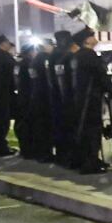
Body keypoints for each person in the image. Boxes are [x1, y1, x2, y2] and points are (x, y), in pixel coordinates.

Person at [70, 29, 111, 174]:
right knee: (92, 131)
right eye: (92, 36)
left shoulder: (77, 56)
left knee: (83, 129)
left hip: (80, 98)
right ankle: (90, 162)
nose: (95, 38)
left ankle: (85, 160)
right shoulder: (89, 55)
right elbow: (101, 75)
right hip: (90, 98)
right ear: (86, 41)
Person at [48, 30, 78, 167]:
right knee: (69, 129)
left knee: (60, 127)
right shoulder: (67, 56)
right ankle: (70, 158)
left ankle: (62, 156)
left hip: (56, 96)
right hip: (68, 98)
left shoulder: (53, 55)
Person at [24, 40, 53, 162]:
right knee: (46, 127)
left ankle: (40, 152)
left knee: (39, 126)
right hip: (45, 97)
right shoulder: (45, 59)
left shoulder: (34, 61)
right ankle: (45, 154)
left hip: (36, 96)